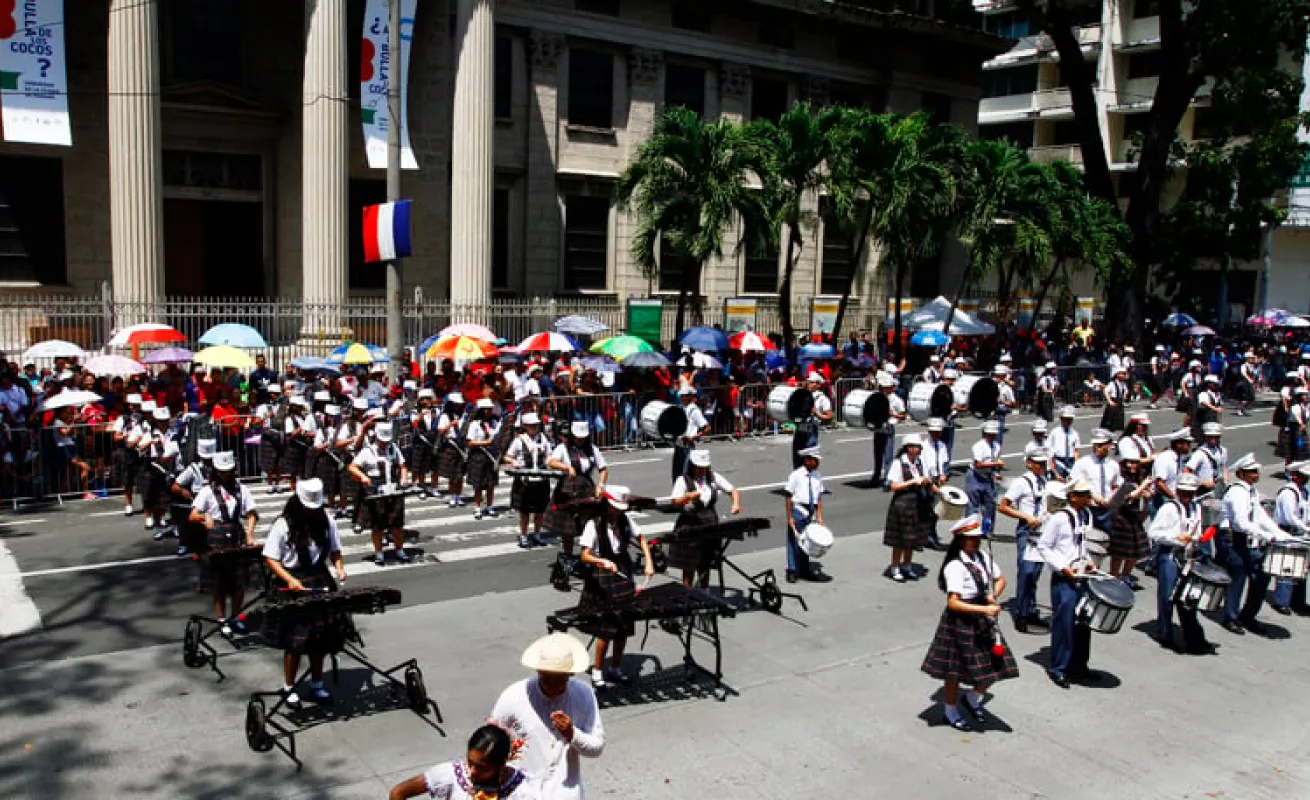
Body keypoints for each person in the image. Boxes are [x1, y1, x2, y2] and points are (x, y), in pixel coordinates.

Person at [921, 514, 1019, 731]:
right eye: (972, 538)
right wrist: (985, 608)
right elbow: (954, 603)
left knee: (996, 664)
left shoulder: (982, 557)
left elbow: (1000, 579)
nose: (977, 542)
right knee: (953, 671)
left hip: (982, 617)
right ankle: (950, 710)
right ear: (961, 540)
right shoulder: (955, 566)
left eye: (978, 538)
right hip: (961, 621)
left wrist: (993, 595)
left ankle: (973, 698)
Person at [260, 478, 348, 706]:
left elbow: (336, 550)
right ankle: (289, 687)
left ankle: (317, 685)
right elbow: (270, 558)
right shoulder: (283, 524)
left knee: (320, 638)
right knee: (295, 641)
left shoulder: (326, 520)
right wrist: (290, 580)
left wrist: (339, 568)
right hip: (293, 581)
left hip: (319, 577)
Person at [489, 633, 604, 800]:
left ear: (570, 674)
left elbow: (597, 747)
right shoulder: (513, 697)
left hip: (565, 794)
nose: (551, 684)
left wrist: (572, 734)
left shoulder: (584, 694)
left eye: (558, 679)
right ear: (538, 671)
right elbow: (491, 742)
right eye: (546, 678)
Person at [576, 486, 654, 688]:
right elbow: (584, 555)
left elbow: (642, 538)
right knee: (607, 628)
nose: (617, 512)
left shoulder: (625, 520)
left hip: (623, 572)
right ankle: (598, 669)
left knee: (624, 625)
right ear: (606, 504)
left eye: (619, 509)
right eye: (614, 508)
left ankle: (616, 667)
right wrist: (601, 561)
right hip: (603, 578)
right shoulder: (594, 525)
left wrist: (649, 562)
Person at [1216, 454, 1291, 635]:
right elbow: (1240, 523)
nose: (1256, 474)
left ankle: (1248, 615)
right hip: (1234, 539)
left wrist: (1279, 533)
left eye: (1256, 471)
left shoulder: (1251, 491)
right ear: (1241, 474)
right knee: (1238, 576)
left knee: (1261, 577)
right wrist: (1266, 536)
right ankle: (1231, 617)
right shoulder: (1237, 493)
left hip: (1248, 540)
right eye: (1251, 472)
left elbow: (1260, 516)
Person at [1036, 478, 1099, 688]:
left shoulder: (1085, 515)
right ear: (1073, 497)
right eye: (1085, 494)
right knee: (1064, 623)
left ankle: (1079, 665)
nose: (1089, 498)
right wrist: (1063, 567)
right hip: (1065, 577)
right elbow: (1044, 546)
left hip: (1082, 575)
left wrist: (1089, 561)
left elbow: (1081, 544)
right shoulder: (1059, 519)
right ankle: (1059, 668)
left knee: (1083, 622)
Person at [190, 451, 259, 637]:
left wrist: (250, 534)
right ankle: (222, 620)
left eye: (229, 471)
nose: (226, 474)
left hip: (236, 535)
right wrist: (204, 517)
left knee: (240, 582)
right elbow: (193, 514)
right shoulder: (207, 492)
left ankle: (235, 617)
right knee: (218, 583)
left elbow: (252, 513)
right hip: (216, 538)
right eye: (222, 471)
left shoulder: (241, 489)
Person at [1148, 474, 1217, 654]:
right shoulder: (1169, 508)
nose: (1187, 496)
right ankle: (1165, 633)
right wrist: (1175, 538)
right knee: (1167, 596)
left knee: (1188, 598)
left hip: (1189, 557)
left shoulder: (1196, 508)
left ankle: (1194, 638)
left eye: (1190, 493)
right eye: (1184, 492)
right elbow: (1154, 532)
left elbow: (1198, 530)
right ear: (1178, 491)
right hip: (1170, 556)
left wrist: (1197, 538)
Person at [389, 724, 539, 800]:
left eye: (481, 768)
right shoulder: (451, 775)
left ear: (501, 764)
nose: (471, 771)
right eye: (470, 762)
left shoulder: (522, 792)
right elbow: (398, 792)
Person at [669, 449, 741, 587]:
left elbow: (733, 491)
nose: (702, 471)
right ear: (693, 466)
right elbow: (675, 502)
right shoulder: (683, 480)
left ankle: (704, 591)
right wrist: (687, 497)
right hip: (690, 523)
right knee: (689, 566)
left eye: (704, 468)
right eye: (699, 468)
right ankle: (687, 593)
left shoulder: (713, 478)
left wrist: (735, 504)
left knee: (705, 562)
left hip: (709, 523)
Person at [999, 449, 1050, 633]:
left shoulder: (1044, 481)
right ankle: (1021, 613)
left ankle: (1031, 609)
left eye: (1044, 463)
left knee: (1035, 572)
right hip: (1027, 529)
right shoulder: (1022, 482)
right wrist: (1025, 516)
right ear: (1029, 463)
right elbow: (1003, 506)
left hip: (1042, 530)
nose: (1042, 467)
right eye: (1039, 463)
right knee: (1026, 572)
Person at [347, 421, 412, 567]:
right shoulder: (367, 451)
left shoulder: (394, 448)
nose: (384, 444)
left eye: (387, 441)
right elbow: (352, 467)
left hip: (393, 488)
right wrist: (363, 477)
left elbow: (402, 466)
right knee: (377, 525)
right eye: (382, 441)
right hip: (375, 489)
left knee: (397, 523)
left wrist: (404, 477)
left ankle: (399, 550)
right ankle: (379, 554)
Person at [545, 421, 609, 557]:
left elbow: (603, 469)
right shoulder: (563, 448)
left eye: (582, 437)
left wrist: (600, 486)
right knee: (568, 527)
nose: (580, 440)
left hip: (586, 488)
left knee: (589, 524)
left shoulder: (592, 449)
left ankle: (587, 555)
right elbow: (551, 462)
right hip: (568, 488)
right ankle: (568, 555)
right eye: (577, 437)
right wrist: (566, 467)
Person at [883, 434, 936, 583]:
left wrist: (934, 487)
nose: (919, 450)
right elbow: (893, 485)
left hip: (917, 503)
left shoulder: (919, 462)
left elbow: (927, 480)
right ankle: (895, 567)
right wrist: (912, 482)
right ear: (909, 448)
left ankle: (907, 565)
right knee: (899, 539)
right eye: (916, 447)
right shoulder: (898, 463)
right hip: (902, 503)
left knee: (912, 537)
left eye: (919, 447)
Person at [784, 446, 832, 584]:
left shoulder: (817, 475)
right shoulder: (796, 475)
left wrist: (820, 515)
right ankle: (792, 570)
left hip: (810, 511)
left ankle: (804, 569)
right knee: (794, 541)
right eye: (814, 460)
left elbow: (818, 497)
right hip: (798, 509)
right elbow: (788, 495)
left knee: (808, 541)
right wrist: (789, 517)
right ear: (807, 460)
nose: (817, 463)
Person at [505, 412, 553, 549]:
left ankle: (537, 534)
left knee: (540, 511)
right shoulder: (519, 440)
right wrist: (514, 462)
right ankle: (524, 536)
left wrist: (549, 461)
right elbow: (507, 456)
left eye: (536, 425)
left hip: (541, 479)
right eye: (531, 425)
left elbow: (549, 455)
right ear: (525, 426)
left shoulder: (543, 438)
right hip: (524, 481)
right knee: (525, 512)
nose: (534, 427)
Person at [1106, 455, 1154, 588]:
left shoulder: (1138, 479)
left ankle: (1126, 576)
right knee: (1118, 553)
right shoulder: (1123, 480)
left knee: (1135, 551)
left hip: (1133, 518)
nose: (1133, 466)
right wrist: (1143, 487)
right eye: (1130, 463)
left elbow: (1143, 497)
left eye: (1135, 463)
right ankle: (1113, 577)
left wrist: (1148, 495)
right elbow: (1128, 496)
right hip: (1121, 518)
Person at [1270, 463, 1310, 614]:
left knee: (1301, 566)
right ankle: (1282, 601)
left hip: (1300, 532)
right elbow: (1289, 517)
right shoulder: (1288, 493)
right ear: (1294, 476)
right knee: (1287, 566)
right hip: (1287, 532)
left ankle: (1298, 601)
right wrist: (1306, 528)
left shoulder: (1304, 492)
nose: (1306, 479)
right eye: (1303, 476)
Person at [1071, 428, 1121, 536]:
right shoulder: (1083, 463)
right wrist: (1092, 496)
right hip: (1089, 508)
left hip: (1107, 509)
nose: (1096, 448)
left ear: (1109, 445)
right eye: (1095, 445)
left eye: (1100, 445)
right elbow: (1072, 485)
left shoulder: (1113, 465)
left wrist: (1112, 498)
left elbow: (1116, 485)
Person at [465, 398, 503, 520]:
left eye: (489, 409)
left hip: (491, 456)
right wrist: (485, 442)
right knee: (479, 484)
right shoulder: (474, 424)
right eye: (485, 409)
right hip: (478, 455)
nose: (487, 412)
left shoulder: (493, 423)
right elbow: (470, 442)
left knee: (491, 483)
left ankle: (490, 506)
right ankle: (477, 507)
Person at [966, 420, 1004, 537]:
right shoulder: (978, 446)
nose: (991, 436)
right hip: (975, 476)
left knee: (990, 506)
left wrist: (996, 471)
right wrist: (994, 464)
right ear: (984, 433)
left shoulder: (997, 447)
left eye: (993, 434)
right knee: (973, 506)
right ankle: (970, 530)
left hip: (988, 477)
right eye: (989, 434)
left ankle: (987, 530)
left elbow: (995, 463)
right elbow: (978, 464)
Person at [791, 373, 833, 468]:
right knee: (797, 455)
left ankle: (810, 478)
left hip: (811, 427)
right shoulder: (803, 395)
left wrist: (817, 413)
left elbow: (829, 417)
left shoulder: (823, 399)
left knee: (810, 456)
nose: (808, 384)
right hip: (801, 426)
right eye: (808, 382)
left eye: (811, 382)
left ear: (818, 385)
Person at [871, 371, 904, 489]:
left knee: (888, 456)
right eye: (883, 387)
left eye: (887, 387)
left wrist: (892, 414)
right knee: (877, 455)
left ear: (892, 387)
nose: (885, 389)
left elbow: (903, 415)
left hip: (888, 428)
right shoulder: (878, 397)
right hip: (878, 428)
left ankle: (887, 480)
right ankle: (876, 477)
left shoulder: (897, 400)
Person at [437, 392, 470, 507]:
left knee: (460, 473)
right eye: (455, 404)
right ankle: (452, 495)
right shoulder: (445, 416)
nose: (457, 406)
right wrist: (451, 425)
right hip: (450, 445)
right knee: (452, 474)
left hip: (461, 445)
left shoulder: (463, 416)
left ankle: (458, 495)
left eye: (459, 404)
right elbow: (441, 431)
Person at [671, 385, 708, 482]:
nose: (682, 398)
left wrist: (693, 437)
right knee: (676, 475)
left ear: (690, 397)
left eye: (684, 395)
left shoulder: (694, 410)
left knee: (685, 475)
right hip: (678, 446)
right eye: (681, 396)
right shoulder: (682, 407)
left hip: (687, 447)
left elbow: (707, 428)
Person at [1185, 422, 1228, 497]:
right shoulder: (1199, 453)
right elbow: (1186, 470)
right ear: (1206, 437)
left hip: (1218, 488)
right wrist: (1200, 483)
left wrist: (1225, 479)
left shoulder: (1223, 451)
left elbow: (1224, 466)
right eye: (1210, 437)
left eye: (1216, 436)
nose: (1213, 439)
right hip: (1203, 491)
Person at [1048, 406, 1080, 480]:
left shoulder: (1075, 433)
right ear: (1061, 419)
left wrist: (1077, 467)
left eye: (1070, 419)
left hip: (1070, 462)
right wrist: (1053, 470)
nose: (1068, 421)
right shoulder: (1054, 433)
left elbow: (1076, 451)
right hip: (1058, 461)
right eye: (1066, 419)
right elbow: (1049, 452)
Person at [1100, 366, 1129, 433]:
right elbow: (1105, 391)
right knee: (1109, 423)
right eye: (1123, 374)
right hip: (1113, 403)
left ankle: (1112, 436)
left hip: (1119, 404)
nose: (1124, 375)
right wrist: (1110, 401)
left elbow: (1125, 393)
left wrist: (1124, 397)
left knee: (1117, 424)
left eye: (1125, 374)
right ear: (1117, 374)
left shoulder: (1124, 384)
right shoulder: (1112, 383)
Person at [993, 365, 1016, 446]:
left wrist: (1002, 401)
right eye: (996, 376)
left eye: (1000, 376)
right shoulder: (991, 386)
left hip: (1000, 412)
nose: (997, 378)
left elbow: (1013, 403)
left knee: (998, 438)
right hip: (990, 412)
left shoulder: (1007, 388)